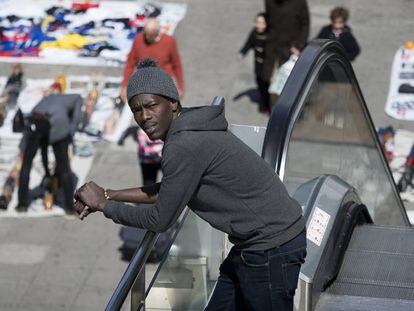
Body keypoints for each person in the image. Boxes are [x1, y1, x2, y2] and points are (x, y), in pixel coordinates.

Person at [74, 58, 306, 310]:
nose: (144, 117)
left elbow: (161, 220)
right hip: (256, 243)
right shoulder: (192, 126)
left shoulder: (183, 145)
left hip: (270, 249)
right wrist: (110, 194)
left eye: (151, 105)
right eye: (137, 110)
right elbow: (173, 189)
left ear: (172, 103)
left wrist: (105, 207)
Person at [16, 83, 82, 213]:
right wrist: (72, 129)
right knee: (64, 166)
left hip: (35, 123)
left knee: (26, 164)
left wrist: (47, 171)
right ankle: (69, 206)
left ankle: (22, 204)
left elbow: (43, 146)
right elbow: (79, 98)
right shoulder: (67, 97)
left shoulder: (45, 100)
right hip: (55, 123)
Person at [121, 18, 184, 102]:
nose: (147, 38)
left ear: (158, 33)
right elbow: (130, 63)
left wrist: (180, 86)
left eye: (151, 35)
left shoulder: (169, 41)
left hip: (163, 82)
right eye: (146, 34)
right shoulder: (138, 40)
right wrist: (124, 86)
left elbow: (176, 64)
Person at [263, 0, 310, 97]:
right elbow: (268, 21)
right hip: (273, 49)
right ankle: (274, 109)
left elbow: (305, 25)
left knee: (292, 84)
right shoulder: (269, 1)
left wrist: (299, 46)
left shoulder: (299, 2)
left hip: (292, 50)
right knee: (272, 84)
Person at [239, 12, 270, 113]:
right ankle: (264, 102)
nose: (259, 25)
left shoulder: (270, 35)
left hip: (268, 66)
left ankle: (268, 105)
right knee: (260, 83)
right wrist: (242, 53)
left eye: (262, 23)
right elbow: (248, 44)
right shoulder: (254, 33)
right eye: (257, 22)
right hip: (258, 65)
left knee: (268, 86)